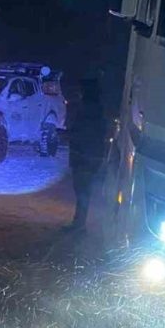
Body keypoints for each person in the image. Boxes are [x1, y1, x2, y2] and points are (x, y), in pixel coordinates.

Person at [66, 78, 108, 231]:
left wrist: (68, 135)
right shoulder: (97, 110)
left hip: (83, 155)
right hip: (90, 155)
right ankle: (79, 222)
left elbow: (82, 133)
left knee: (82, 190)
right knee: (83, 189)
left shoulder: (87, 110)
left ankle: (79, 223)